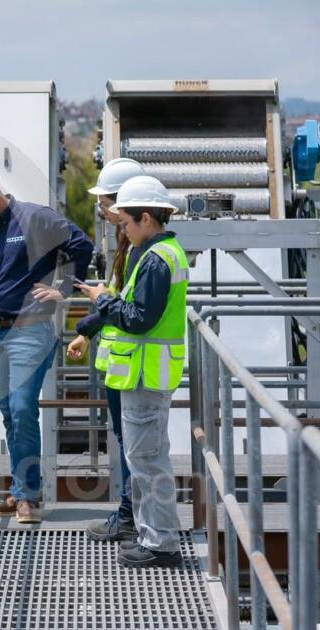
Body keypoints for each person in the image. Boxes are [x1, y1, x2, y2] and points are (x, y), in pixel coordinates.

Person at [0, 155, 94, 524]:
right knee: (9, 412)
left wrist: (64, 288)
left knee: (21, 408)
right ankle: (20, 491)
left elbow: (82, 246)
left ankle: (28, 496)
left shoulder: (35, 218)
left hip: (31, 329)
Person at [75, 175, 188, 568]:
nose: (122, 230)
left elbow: (138, 319)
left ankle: (162, 545)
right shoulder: (165, 253)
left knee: (148, 461)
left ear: (146, 218)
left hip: (144, 376)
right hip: (147, 374)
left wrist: (102, 300)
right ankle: (149, 536)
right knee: (145, 458)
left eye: (125, 223)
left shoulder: (156, 260)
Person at [65, 158, 146, 542]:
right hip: (122, 362)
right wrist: (86, 331)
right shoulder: (127, 245)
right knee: (128, 441)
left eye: (106, 203)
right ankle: (131, 514)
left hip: (134, 364)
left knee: (134, 444)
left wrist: (97, 304)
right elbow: (117, 298)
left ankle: (132, 518)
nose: (101, 210)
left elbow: (123, 305)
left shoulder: (138, 250)